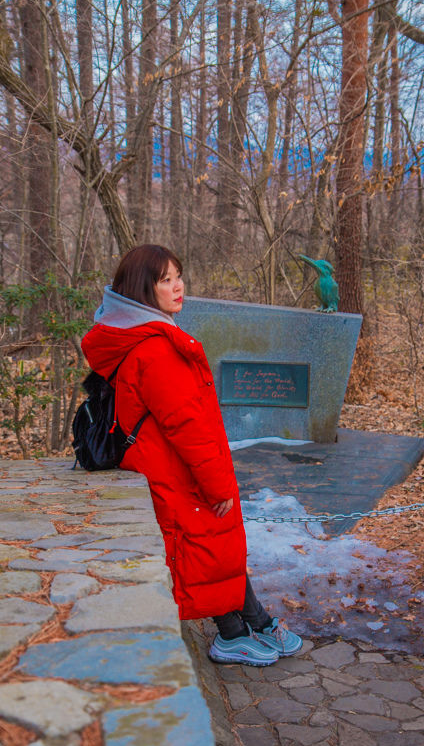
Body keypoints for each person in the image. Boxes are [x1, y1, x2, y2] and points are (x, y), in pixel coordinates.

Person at [81, 244, 302, 666]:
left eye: (178, 275)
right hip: (174, 470)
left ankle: (251, 621)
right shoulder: (157, 348)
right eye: (165, 280)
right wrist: (217, 483)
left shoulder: (143, 337)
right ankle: (231, 634)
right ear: (143, 290)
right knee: (208, 547)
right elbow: (189, 426)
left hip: (165, 465)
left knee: (216, 547)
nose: (178, 286)